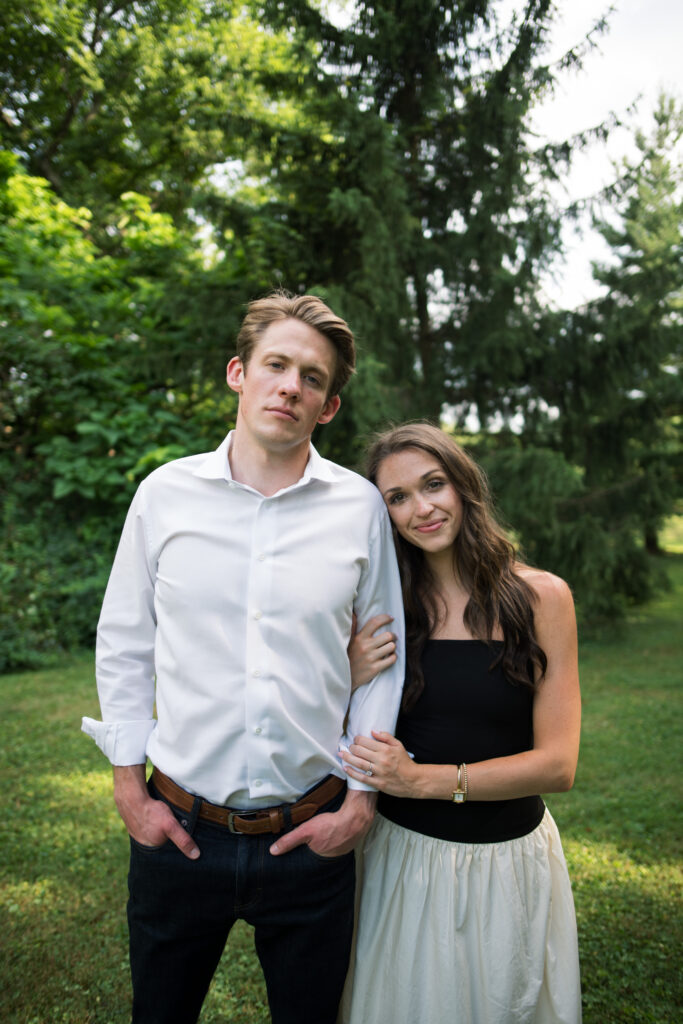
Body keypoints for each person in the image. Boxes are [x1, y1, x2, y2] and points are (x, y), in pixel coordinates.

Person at [81, 291, 405, 1024]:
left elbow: (382, 662)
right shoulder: (164, 496)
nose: (291, 385)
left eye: (312, 378)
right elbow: (126, 642)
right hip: (178, 832)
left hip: (311, 837)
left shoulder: (356, 509)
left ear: (327, 407)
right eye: (276, 365)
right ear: (239, 373)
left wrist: (358, 806)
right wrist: (131, 790)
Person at [339, 422, 582, 1024]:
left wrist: (424, 779)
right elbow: (323, 724)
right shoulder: (383, 608)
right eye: (397, 498)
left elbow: (558, 765)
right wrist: (344, 674)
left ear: (464, 486)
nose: (420, 508)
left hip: (507, 859)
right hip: (402, 858)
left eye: (433, 485)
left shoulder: (543, 598)